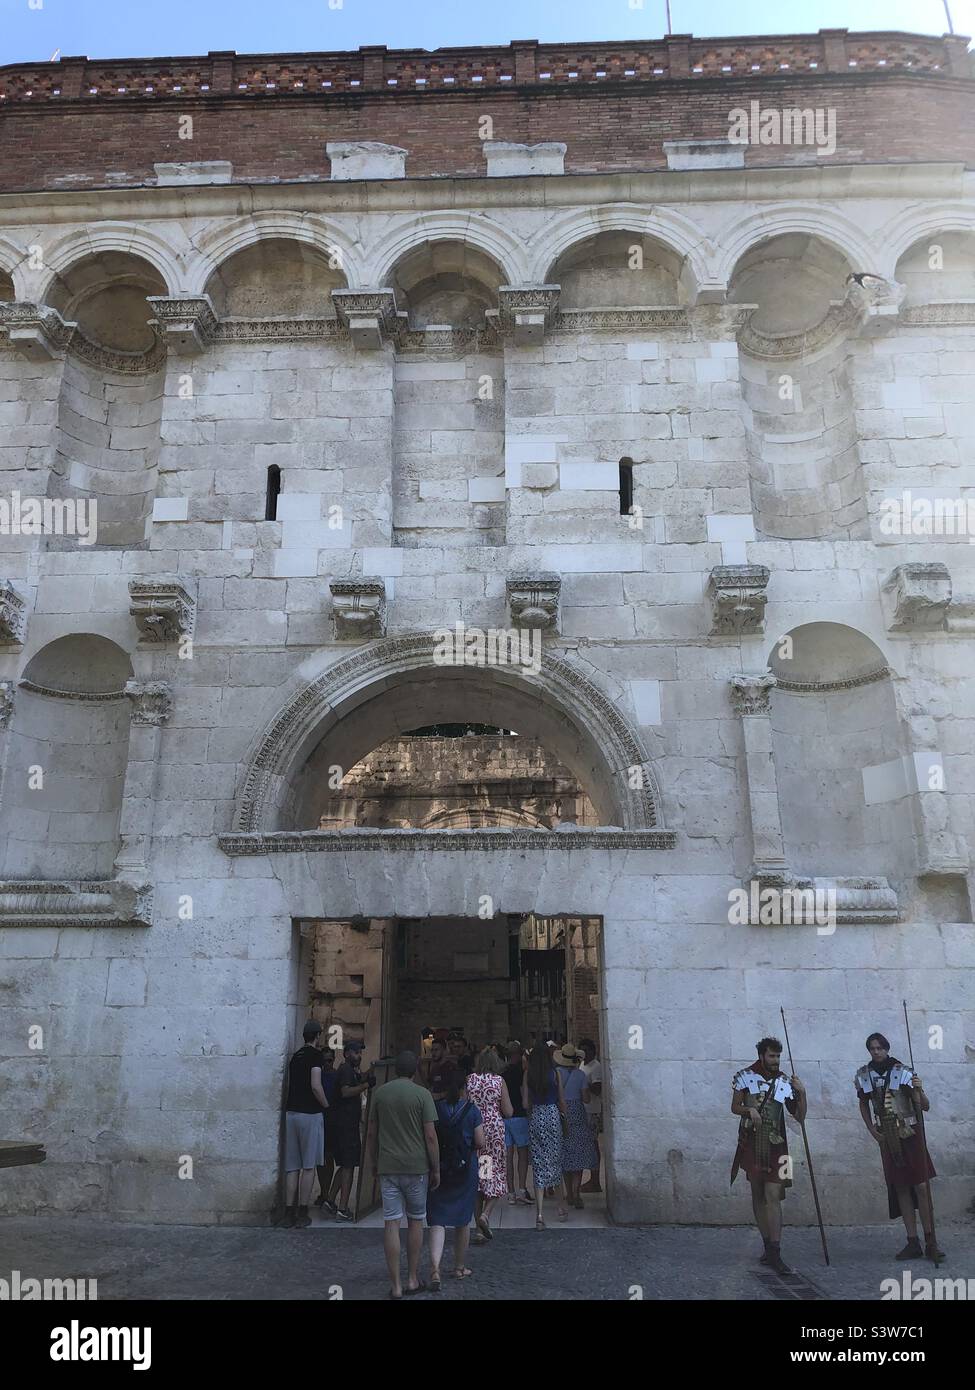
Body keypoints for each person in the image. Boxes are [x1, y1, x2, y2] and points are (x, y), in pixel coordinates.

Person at [855, 1031, 943, 1261]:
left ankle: (931, 1240)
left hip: (910, 1133)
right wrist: (872, 1130)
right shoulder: (865, 1074)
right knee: (901, 1187)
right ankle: (912, 1241)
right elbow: (863, 1104)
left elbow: (924, 1106)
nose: (876, 1052)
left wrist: (919, 1089)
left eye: (879, 1048)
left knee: (921, 1186)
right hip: (887, 1136)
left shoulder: (902, 1071)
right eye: (872, 1049)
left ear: (886, 1048)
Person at [366, 1050, 441, 1299]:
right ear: (415, 1069)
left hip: (389, 1165)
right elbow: (430, 1136)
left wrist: (374, 1162)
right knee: (416, 1220)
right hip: (416, 1167)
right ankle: (411, 1279)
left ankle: (396, 1285)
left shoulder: (381, 1094)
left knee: (391, 1222)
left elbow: (372, 1133)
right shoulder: (422, 1094)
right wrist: (436, 1167)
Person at [731, 1036, 806, 1275]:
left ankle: (775, 1251)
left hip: (777, 1145)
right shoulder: (745, 1076)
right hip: (751, 1143)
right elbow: (734, 1107)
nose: (775, 1060)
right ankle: (766, 1245)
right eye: (771, 1056)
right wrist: (749, 1109)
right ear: (762, 1055)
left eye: (778, 1056)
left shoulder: (784, 1081)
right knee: (758, 1194)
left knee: (773, 1194)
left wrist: (802, 1093)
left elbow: (800, 1117)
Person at [426, 1063, 485, 1286]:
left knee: (437, 1219)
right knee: (462, 1219)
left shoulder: (435, 1108)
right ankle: (459, 1267)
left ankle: (434, 1269)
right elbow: (480, 1141)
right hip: (465, 1167)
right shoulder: (472, 1110)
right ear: (464, 1087)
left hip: (439, 1166)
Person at [276, 1019, 328, 1229]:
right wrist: (326, 1104)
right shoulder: (316, 1056)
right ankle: (303, 1211)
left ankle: (289, 1211)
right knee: (308, 1166)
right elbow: (316, 1085)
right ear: (317, 1036)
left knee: (292, 1166)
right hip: (310, 1113)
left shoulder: (295, 1057)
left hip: (292, 1112)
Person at [321, 1041, 373, 1221]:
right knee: (349, 1167)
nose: (359, 1055)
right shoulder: (345, 1070)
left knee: (344, 1166)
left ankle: (329, 1200)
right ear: (347, 1053)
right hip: (345, 1127)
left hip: (344, 1126)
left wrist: (370, 1074)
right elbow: (346, 1091)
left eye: (360, 1052)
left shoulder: (350, 1071)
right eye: (357, 1052)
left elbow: (357, 1081)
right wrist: (366, 1086)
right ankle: (342, 1209)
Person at [465, 1047, 513, 1242]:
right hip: (493, 1132)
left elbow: (465, 1104)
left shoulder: (471, 1080)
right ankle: (485, 1215)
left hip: (475, 1131)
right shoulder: (498, 1081)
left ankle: (478, 1230)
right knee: (494, 1175)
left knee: (480, 1178)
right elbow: (508, 1111)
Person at [523, 1038, 567, 1229]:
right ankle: (560, 1207)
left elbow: (525, 1104)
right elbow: (562, 1101)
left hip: (537, 1117)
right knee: (555, 1160)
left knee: (539, 1164)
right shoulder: (555, 1073)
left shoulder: (528, 1075)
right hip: (552, 1115)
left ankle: (539, 1214)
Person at [554, 1043, 598, 1210]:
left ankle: (569, 1194)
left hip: (561, 1112)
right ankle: (576, 1192)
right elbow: (586, 1098)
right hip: (578, 1113)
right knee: (578, 1153)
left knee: (565, 1152)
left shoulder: (556, 1073)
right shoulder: (580, 1075)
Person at [502, 1040, 533, 1205]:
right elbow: (524, 1094)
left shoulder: (502, 1073)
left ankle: (510, 1192)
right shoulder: (523, 1072)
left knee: (508, 1156)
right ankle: (522, 1188)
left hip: (505, 1117)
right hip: (520, 1115)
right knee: (522, 1155)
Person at [314, 1045, 339, 1210]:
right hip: (319, 1119)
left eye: (329, 1060)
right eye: (324, 1061)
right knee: (320, 1159)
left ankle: (326, 1192)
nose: (327, 1064)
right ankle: (324, 1192)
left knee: (328, 1158)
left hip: (332, 1121)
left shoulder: (337, 1076)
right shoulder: (317, 1076)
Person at [578, 1037, 603, 1194]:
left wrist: (581, 1084)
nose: (584, 1054)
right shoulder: (583, 1064)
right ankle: (591, 1179)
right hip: (583, 1110)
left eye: (587, 1051)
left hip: (592, 1110)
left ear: (593, 1052)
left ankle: (595, 1180)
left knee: (593, 1146)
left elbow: (598, 1088)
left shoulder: (596, 1067)